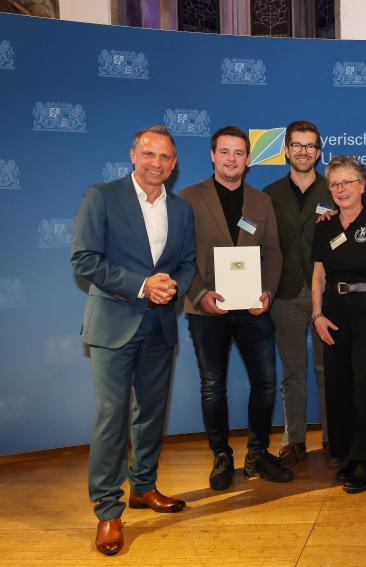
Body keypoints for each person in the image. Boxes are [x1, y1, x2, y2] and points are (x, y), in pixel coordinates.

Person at [71, 126, 196, 555]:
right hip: (113, 324)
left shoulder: (181, 210)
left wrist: (172, 287)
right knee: (112, 417)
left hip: (159, 325)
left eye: (165, 157)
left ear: (174, 163)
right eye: (148, 154)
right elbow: (85, 259)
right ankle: (108, 511)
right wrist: (143, 285)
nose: (156, 163)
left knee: (151, 413)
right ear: (133, 155)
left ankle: (143, 487)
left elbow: (188, 263)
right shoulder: (101, 196)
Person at [180, 125, 292, 491]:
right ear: (212, 155)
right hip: (206, 310)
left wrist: (268, 293)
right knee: (213, 386)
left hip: (253, 308)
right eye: (225, 152)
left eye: (239, 153)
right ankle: (221, 457)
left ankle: (257, 455)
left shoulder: (261, 201)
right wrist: (198, 294)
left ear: (248, 158)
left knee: (265, 382)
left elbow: (273, 252)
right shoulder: (187, 197)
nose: (232, 159)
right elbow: (177, 256)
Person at [311, 155, 366, 493]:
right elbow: (318, 274)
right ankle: (349, 452)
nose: (341, 188)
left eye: (348, 182)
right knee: (339, 385)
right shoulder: (325, 226)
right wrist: (317, 314)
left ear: (362, 186)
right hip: (333, 311)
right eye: (334, 184)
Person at [263, 120, 336, 467]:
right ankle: (294, 439)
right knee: (293, 370)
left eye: (310, 146)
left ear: (319, 152)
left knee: (327, 370)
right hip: (286, 294)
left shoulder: (335, 189)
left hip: (328, 293)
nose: (304, 152)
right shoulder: (269, 194)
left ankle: (332, 437)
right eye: (297, 145)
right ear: (287, 150)